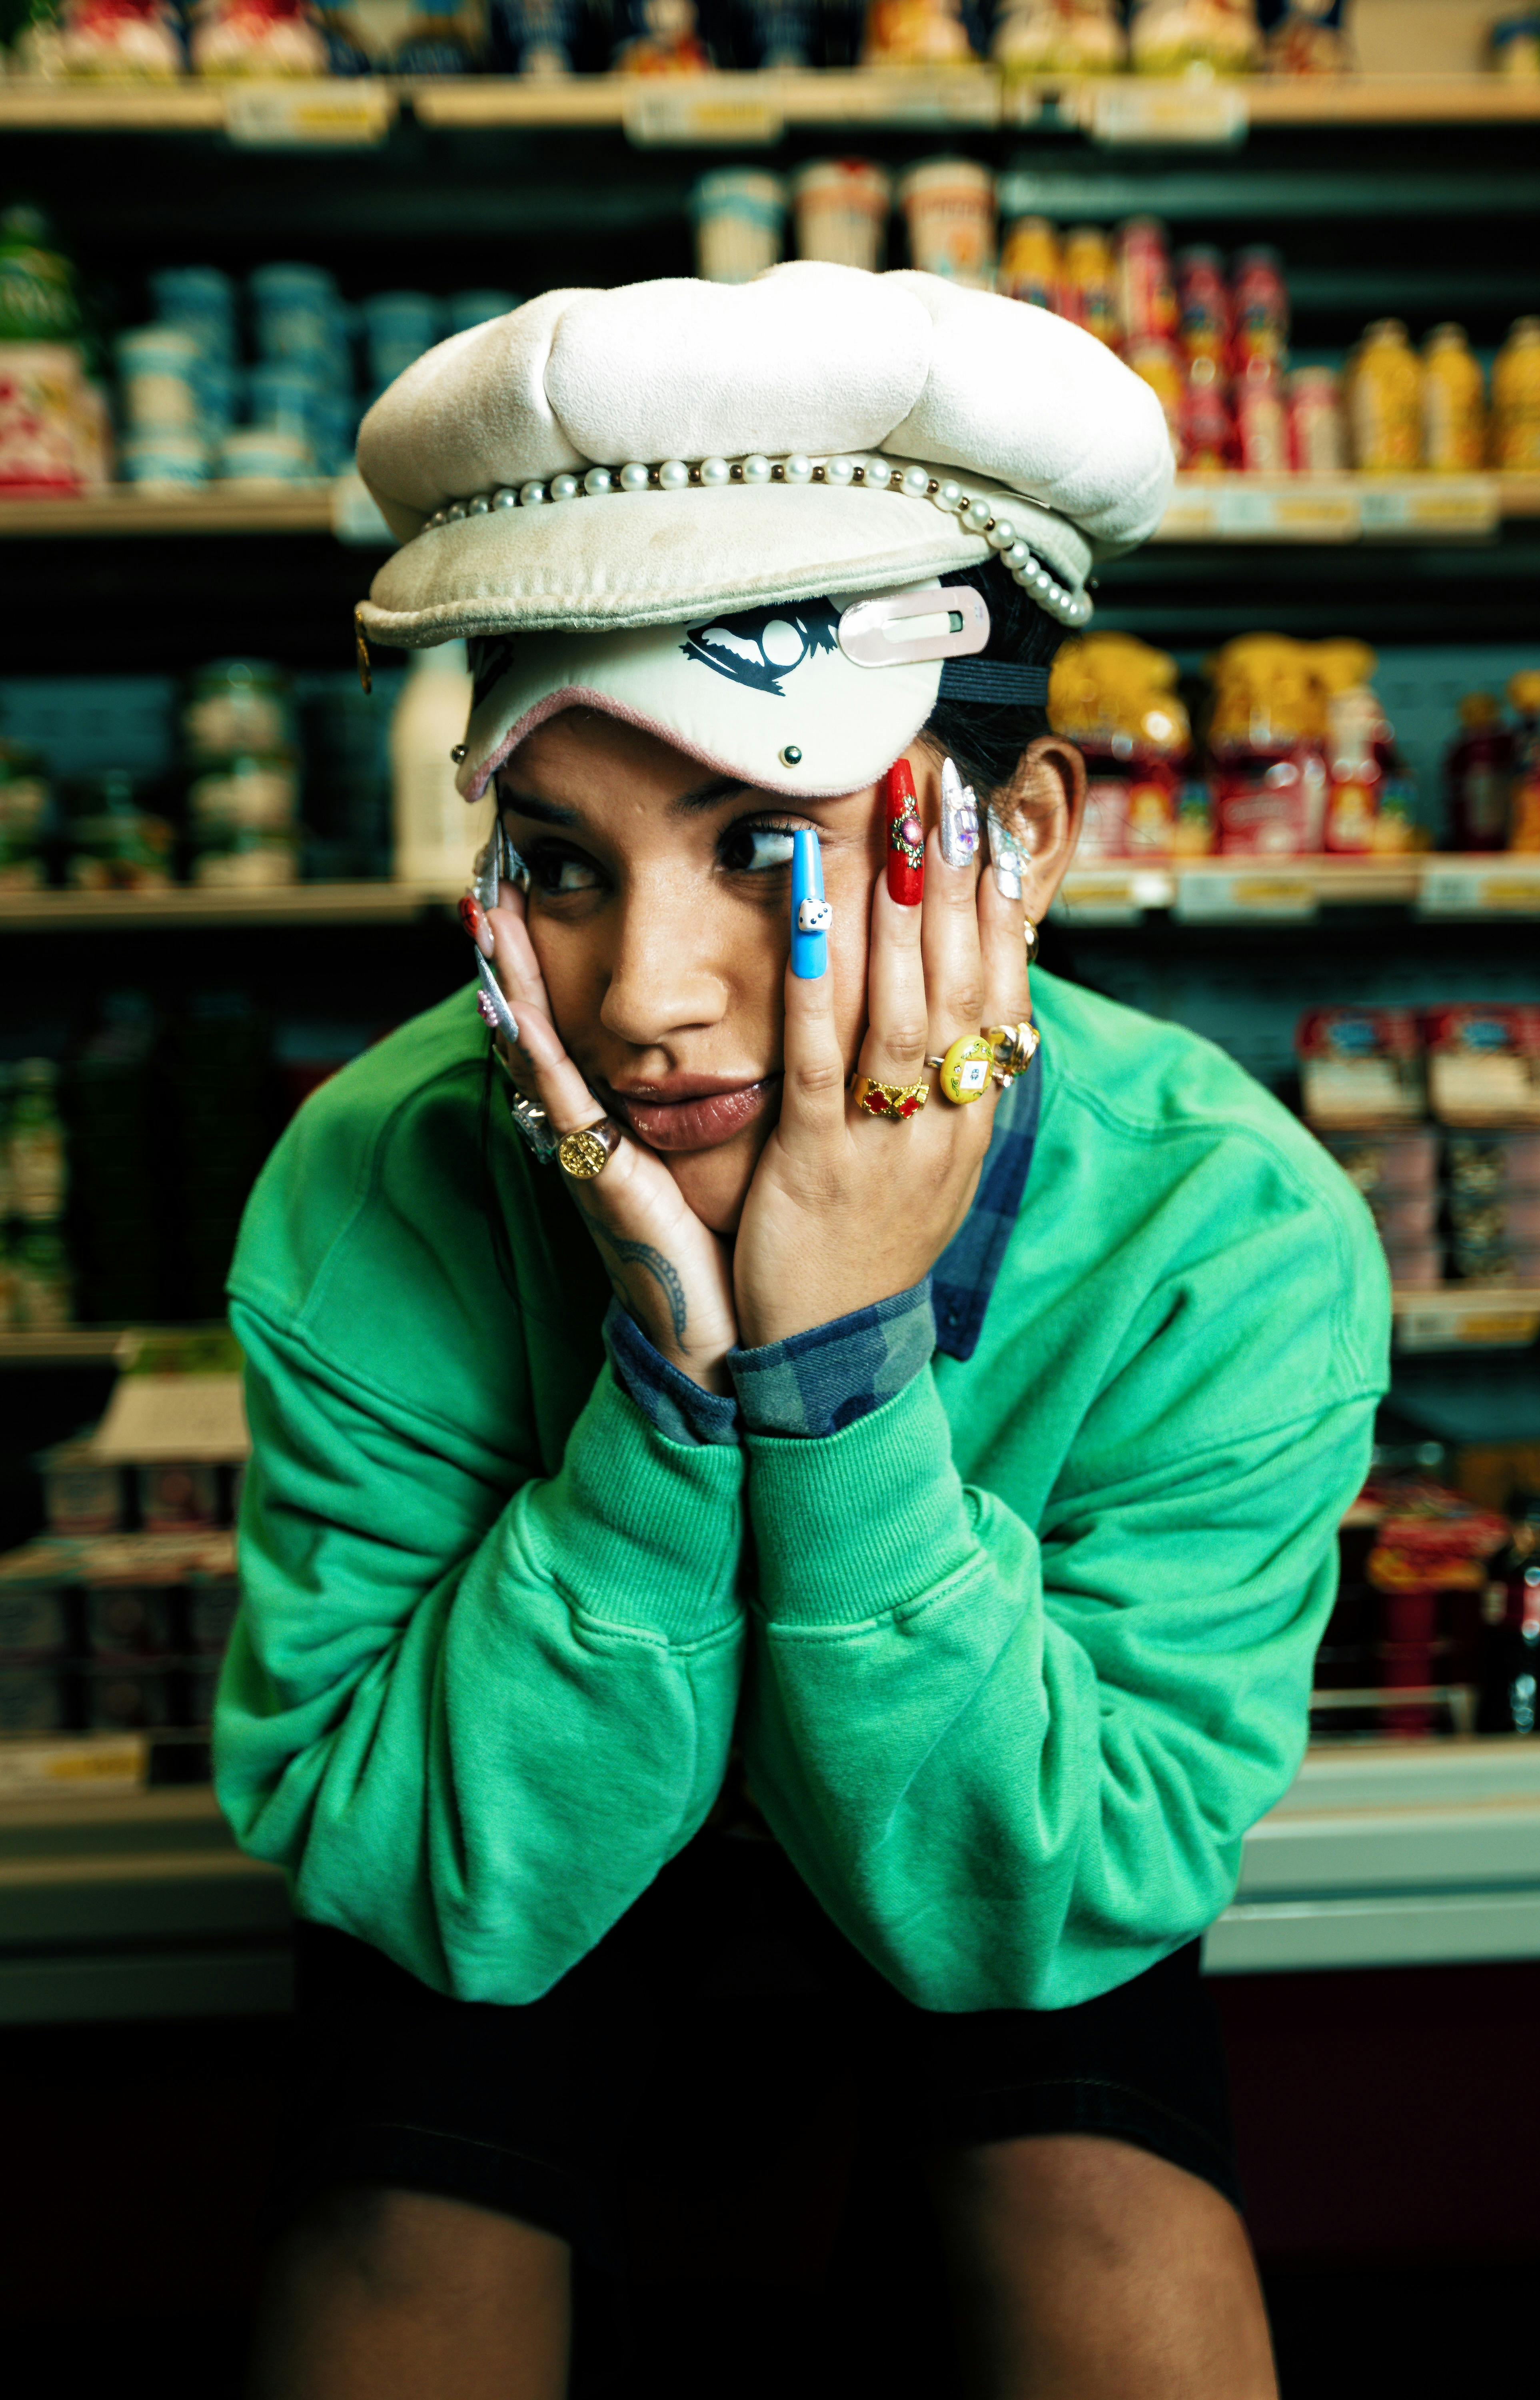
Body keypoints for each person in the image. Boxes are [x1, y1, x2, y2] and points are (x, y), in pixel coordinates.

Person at [218, 264, 1389, 2400]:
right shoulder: (374, 1185)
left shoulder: (1231, 1235)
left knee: (1109, 2241)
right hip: (520, 1830)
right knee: (404, 2244)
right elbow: (420, 1876)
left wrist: (840, 1368)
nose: (644, 997)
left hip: (993, 1819)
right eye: (559, 866)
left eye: (765, 843)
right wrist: (674, 1373)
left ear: (1010, 845)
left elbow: (1052, 1896)